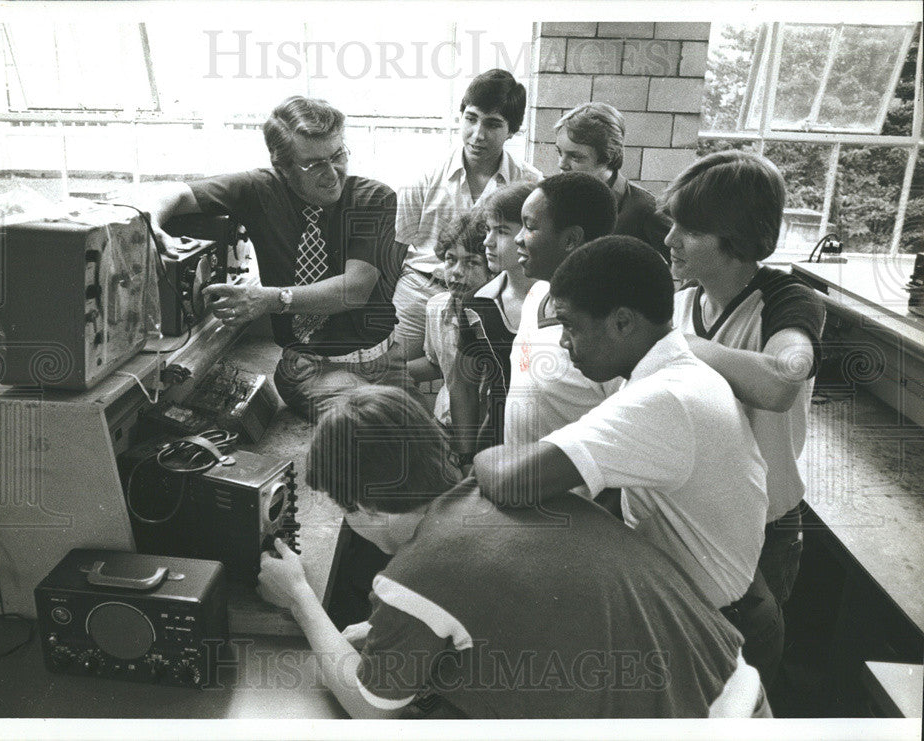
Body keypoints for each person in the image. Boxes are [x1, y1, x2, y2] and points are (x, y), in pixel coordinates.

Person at [257, 385, 769, 719]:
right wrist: (394, 628)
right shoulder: (514, 492)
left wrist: (300, 595)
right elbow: (520, 599)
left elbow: (374, 713)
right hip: (744, 694)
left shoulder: (417, 575)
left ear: (362, 504)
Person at [474, 236, 783, 688]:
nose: (563, 343)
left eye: (571, 327)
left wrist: (480, 454)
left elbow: (511, 482)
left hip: (721, 634)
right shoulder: (667, 373)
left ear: (621, 323)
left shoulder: (664, 399)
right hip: (720, 610)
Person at [138, 95, 409, 420]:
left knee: (426, 448)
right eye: (314, 164)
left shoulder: (374, 199)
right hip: (313, 371)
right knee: (374, 429)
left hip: (385, 361)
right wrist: (150, 224)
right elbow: (177, 193)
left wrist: (271, 299)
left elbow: (354, 289)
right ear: (283, 168)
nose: (333, 173)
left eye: (338, 155)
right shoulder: (260, 190)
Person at [661, 150, 826, 607]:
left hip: (765, 530)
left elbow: (779, 382)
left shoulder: (790, 302)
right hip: (692, 520)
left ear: (739, 237)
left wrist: (688, 351)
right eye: (673, 222)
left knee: (752, 663)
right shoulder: (679, 306)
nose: (670, 238)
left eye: (691, 230)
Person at [391, 69, 541, 363]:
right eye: (471, 118)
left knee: (476, 374)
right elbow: (395, 248)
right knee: (394, 371)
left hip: (491, 293)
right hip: (420, 288)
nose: (477, 134)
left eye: (493, 124)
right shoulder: (424, 173)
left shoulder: (530, 183)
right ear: (461, 115)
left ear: (512, 130)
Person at [504, 172, 621, 449]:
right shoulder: (537, 294)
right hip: (520, 482)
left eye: (530, 227)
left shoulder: (608, 330)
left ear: (571, 240)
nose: (518, 239)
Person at [451, 181, 538, 459]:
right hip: (497, 441)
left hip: (555, 438)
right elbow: (463, 384)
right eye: (487, 230)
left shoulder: (566, 301)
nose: (487, 242)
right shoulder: (477, 303)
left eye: (502, 231)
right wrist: (466, 456)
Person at [406, 212, 491, 453]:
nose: (456, 271)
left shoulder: (499, 319)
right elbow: (438, 364)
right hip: (445, 422)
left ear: (492, 268)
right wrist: (387, 372)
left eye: (471, 262)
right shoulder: (436, 307)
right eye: (451, 259)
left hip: (489, 431)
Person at [555, 102, 671, 261]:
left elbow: (692, 265)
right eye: (559, 152)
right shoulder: (557, 200)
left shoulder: (644, 208)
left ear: (607, 157)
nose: (561, 164)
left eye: (575, 156)